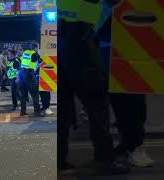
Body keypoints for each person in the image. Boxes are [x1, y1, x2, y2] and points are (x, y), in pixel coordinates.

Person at [58, 0, 130, 175]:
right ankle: (104, 159)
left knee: (62, 104)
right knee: (97, 100)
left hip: (52, 37)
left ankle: (59, 160)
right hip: (79, 36)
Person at [18, 42, 43, 117]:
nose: (38, 49)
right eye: (38, 47)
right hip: (29, 74)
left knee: (23, 95)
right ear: (35, 47)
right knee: (35, 93)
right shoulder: (35, 54)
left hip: (22, 73)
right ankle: (37, 112)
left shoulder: (25, 52)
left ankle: (23, 112)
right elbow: (40, 61)